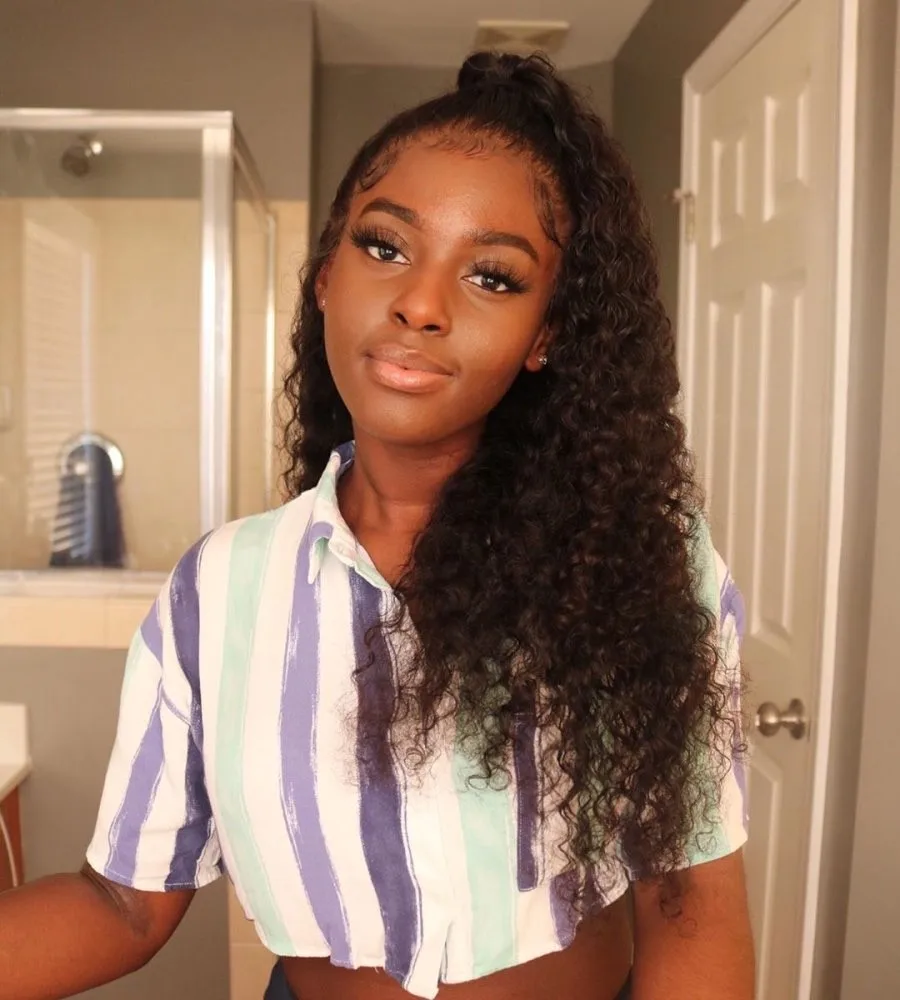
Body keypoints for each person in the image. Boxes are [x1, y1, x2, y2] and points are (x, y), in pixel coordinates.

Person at [0, 51, 754, 1000]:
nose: (420, 305)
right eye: (386, 247)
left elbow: (691, 907)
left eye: (493, 276)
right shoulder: (219, 589)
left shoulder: (636, 564)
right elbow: (122, 904)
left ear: (545, 336)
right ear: (326, 275)